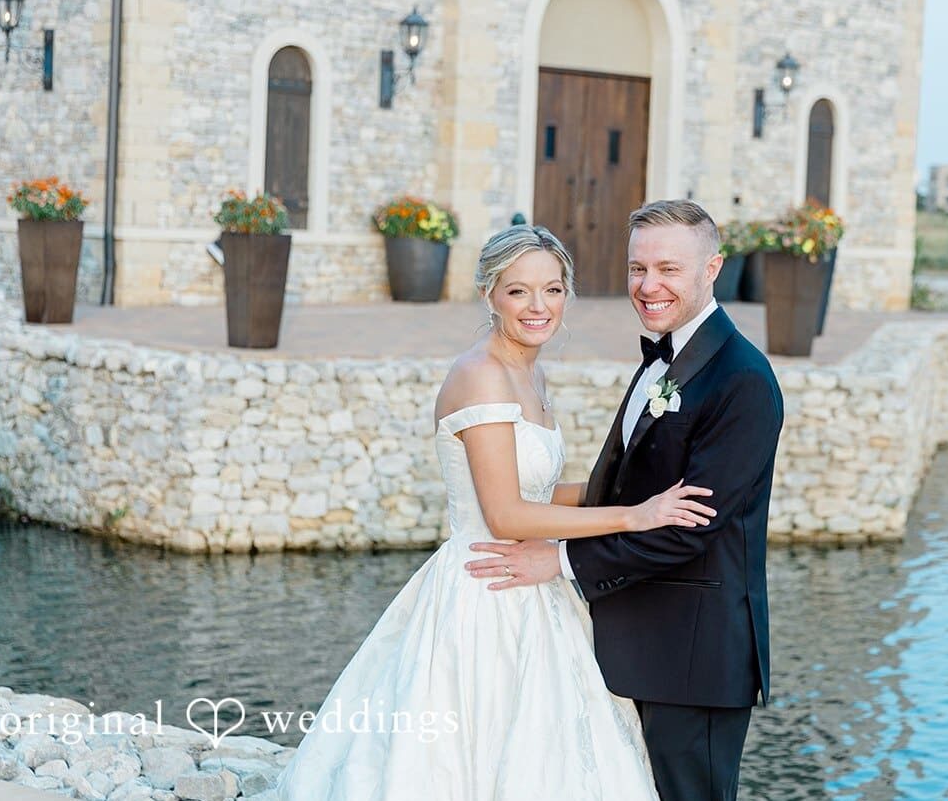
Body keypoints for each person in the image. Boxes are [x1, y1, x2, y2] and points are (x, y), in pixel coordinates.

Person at [273, 224, 714, 801]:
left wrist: (630, 495)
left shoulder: (529, 370)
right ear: (489, 295)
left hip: (536, 582)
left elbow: (539, 489)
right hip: (486, 587)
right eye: (519, 291)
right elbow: (506, 514)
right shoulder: (480, 375)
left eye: (553, 290)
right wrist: (635, 519)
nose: (539, 307)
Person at [466, 200, 785, 801]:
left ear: (712, 268)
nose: (648, 285)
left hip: (693, 661)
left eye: (668, 269)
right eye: (638, 269)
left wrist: (559, 559)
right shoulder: (665, 360)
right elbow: (622, 491)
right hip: (634, 641)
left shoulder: (741, 378)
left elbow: (689, 528)